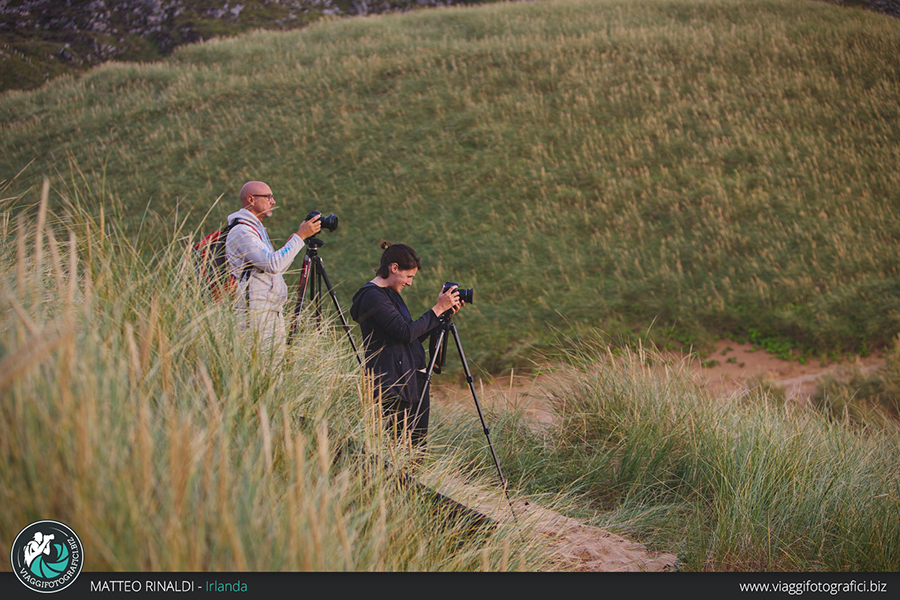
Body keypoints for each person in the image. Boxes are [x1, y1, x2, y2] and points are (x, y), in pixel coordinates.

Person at [350, 242, 462, 446]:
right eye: (408, 276)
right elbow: (405, 332)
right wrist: (436, 309)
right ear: (394, 268)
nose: (410, 283)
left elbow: (410, 338)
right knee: (401, 447)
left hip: (409, 381)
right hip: (393, 384)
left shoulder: (390, 295)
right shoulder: (373, 296)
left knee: (417, 446)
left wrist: (440, 316)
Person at [225, 181, 321, 357]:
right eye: (268, 197)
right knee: (260, 370)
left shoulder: (256, 229)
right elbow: (273, 265)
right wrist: (300, 237)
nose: (273, 201)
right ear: (251, 199)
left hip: (269, 311)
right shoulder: (242, 231)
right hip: (254, 314)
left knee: (274, 372)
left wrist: (294, 244)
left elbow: (273, 269)